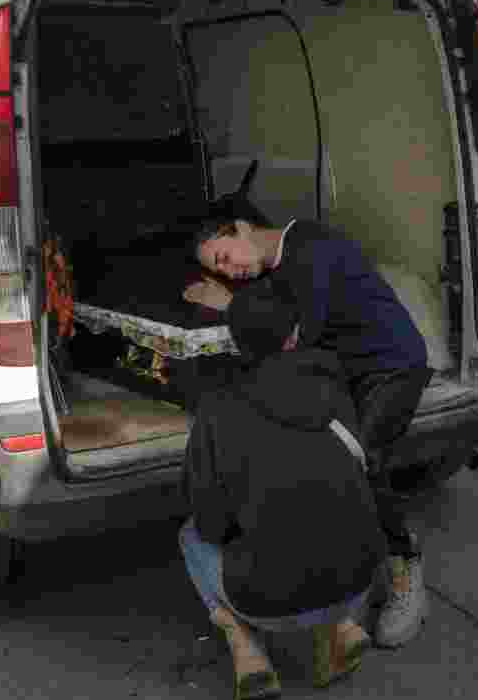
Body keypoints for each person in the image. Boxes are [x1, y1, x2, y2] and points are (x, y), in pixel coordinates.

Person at [183, 216, 433, 648]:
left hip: (389, 368)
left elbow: (295, 336)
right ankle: (326, 573)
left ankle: (404, 566)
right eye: (219, 270)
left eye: (224, 257)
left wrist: (231, 306)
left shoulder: (310, 248)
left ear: (240, 228)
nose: (228, 270)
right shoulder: (282, 265)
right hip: (347, 372)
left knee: (362, 464)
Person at [180, 279, 385, 700]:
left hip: (267, 601)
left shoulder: (217, 409)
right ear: (294, 335)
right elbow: (363, 467)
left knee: (190, 536)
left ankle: (246, 646)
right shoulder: (334, 388)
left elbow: (211, 522)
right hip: (360, 582)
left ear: (235, 342)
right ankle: (338, 628)